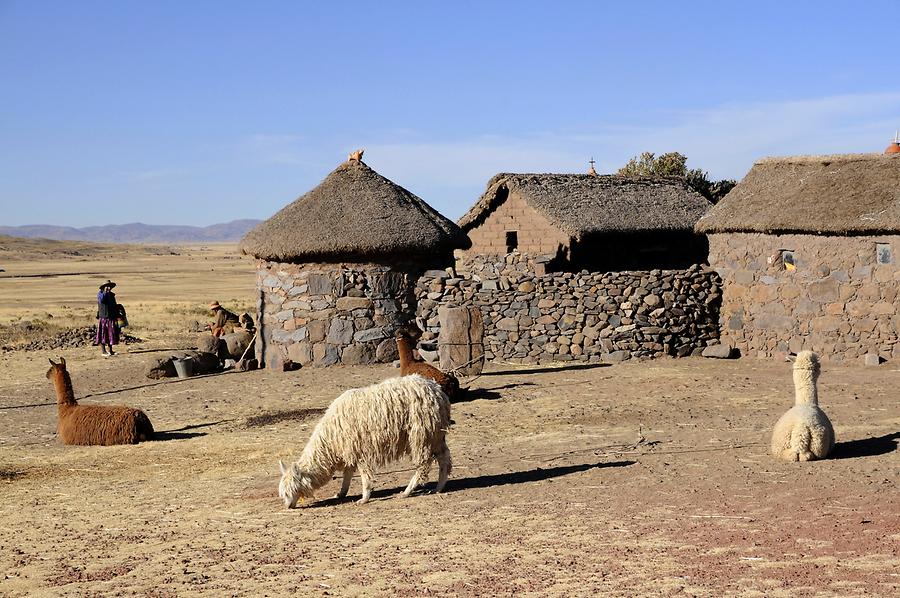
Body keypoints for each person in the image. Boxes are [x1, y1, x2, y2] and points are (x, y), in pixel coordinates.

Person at [95, 280, 120, 357]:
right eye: (107, 286)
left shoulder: (111, 295)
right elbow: (101, 300)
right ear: (103, 287)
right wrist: (105, 292)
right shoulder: (100, 294)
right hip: (103, 317)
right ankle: (103, 351)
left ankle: (110, 350)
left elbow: (114, 305)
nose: (109, 288)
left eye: (109, 286)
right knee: (103, 334)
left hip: (111, 317)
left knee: (110, 334)